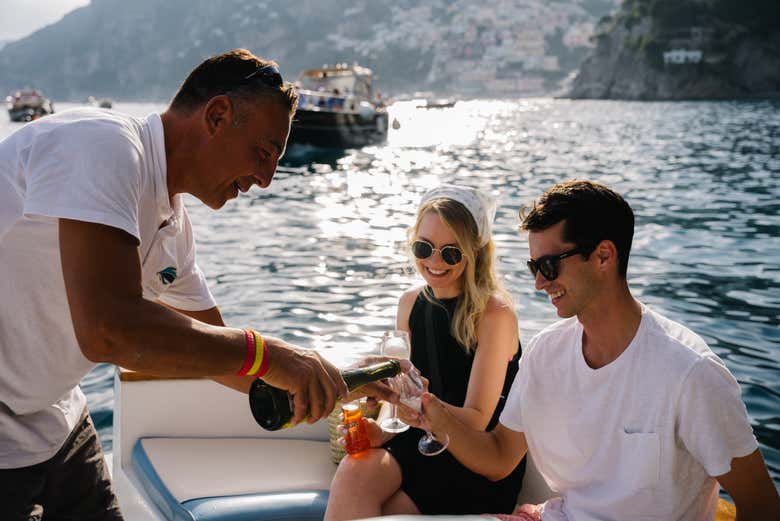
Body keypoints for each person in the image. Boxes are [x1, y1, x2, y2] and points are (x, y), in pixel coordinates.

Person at [0, 49, 396, 520]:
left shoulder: (174, 230)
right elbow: (108, 328)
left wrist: (333, 378)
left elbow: (224, 355)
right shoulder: (102, 143)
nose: (267, 179)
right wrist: (272, 354)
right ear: (218, 114)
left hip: (54, 415)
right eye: (264, 152)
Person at [421, 180, 780, 520]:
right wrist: (427, 410)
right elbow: (499, 456)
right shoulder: (546, 352)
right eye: (534, 266)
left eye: (549, 266)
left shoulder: (690, 374)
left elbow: (762, 507)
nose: (538, 283)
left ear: (604, 256)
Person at [325, 185, 525, 520]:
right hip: (416, 444)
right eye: (424, 247)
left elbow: (476, 418)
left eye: (450, 253)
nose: (434, 262)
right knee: (353, 471)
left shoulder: (494, 315)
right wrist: (383, 430)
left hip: (467, 457)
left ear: (474, 251)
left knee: (385, 512)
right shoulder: (410, 304)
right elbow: (398, 398)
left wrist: (411, 412)